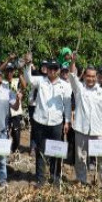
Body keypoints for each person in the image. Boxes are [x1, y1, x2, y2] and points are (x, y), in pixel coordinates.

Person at [24, 57, 72, 186]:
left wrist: (67, 122)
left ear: (59, 70)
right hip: (40, 121)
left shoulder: (65, 85)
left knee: (56, 151)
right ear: (47, 69)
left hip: (56, 123)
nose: (52, 71)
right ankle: (40, 179)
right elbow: (28, 79)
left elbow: (67, 105)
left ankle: (55, 177)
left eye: (55, 68)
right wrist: (28, 64)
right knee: (40, 151)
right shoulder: (41, 81)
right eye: (50, 68)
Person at [68, 59, 102, 185]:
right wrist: (72, 62)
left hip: (98, 130)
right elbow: (72, 77)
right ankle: (82, 180)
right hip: (81, 129)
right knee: (80, 158)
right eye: (88, 76)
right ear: (84, 76)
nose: (91, 79)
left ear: (97, 77)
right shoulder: (79, 89)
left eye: (93, 76)